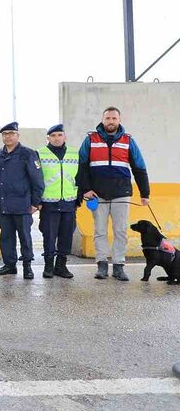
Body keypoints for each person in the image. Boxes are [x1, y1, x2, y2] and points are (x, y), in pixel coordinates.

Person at [77, 107, 150, 281]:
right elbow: (81, 166)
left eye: (114, 118)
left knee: (120, 231)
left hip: (121, 193)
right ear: (102, 120)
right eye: (108, 118)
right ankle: (101, 265)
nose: (111, 121)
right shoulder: (90, 139)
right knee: (100, 231)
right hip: (97, 194)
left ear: (119, 120)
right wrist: (86, 189)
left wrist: (144, 193)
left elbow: (139, 168)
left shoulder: (128, 141)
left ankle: (119, 266)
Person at [0, 122, 45, 280]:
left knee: (25, 237)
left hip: (22, 205)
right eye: (5, 134)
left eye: (11, 133)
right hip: (3, 205)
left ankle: (27, 266)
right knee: (6, 237)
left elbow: (37, 180)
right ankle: (9, 265)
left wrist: (35, 203)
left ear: (17, 135)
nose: (8, 136)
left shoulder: (28, 154)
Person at [36, 124, 80, 279]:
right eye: (53, 136)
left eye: (59, 135)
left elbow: (80, 177)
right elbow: (36, 179)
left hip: (69, 201)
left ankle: (61, 266)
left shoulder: (75, 153)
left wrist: (79, 197)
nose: (56, 138)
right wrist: (36, 200)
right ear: (48, 138)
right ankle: (48, 266)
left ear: (64, 137)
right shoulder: (40, 153)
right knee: (49, 235)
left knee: (66, 235)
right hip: (49, 202)